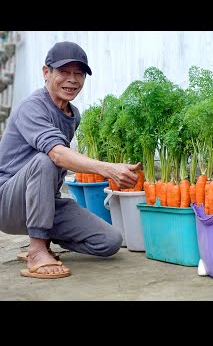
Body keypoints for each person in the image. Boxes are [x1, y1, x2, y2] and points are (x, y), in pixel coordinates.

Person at [0, 41, 142, 279]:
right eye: (64, 72)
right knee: (45, 160)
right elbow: (56, 154)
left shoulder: (72, 114)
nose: (72, 80)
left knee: (110, 241)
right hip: (7, 201)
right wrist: (108, 169)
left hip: (44, 202)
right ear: (46, 72)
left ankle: (43, 239)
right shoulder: (31, 107)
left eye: (79, 74)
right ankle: (36, 250)